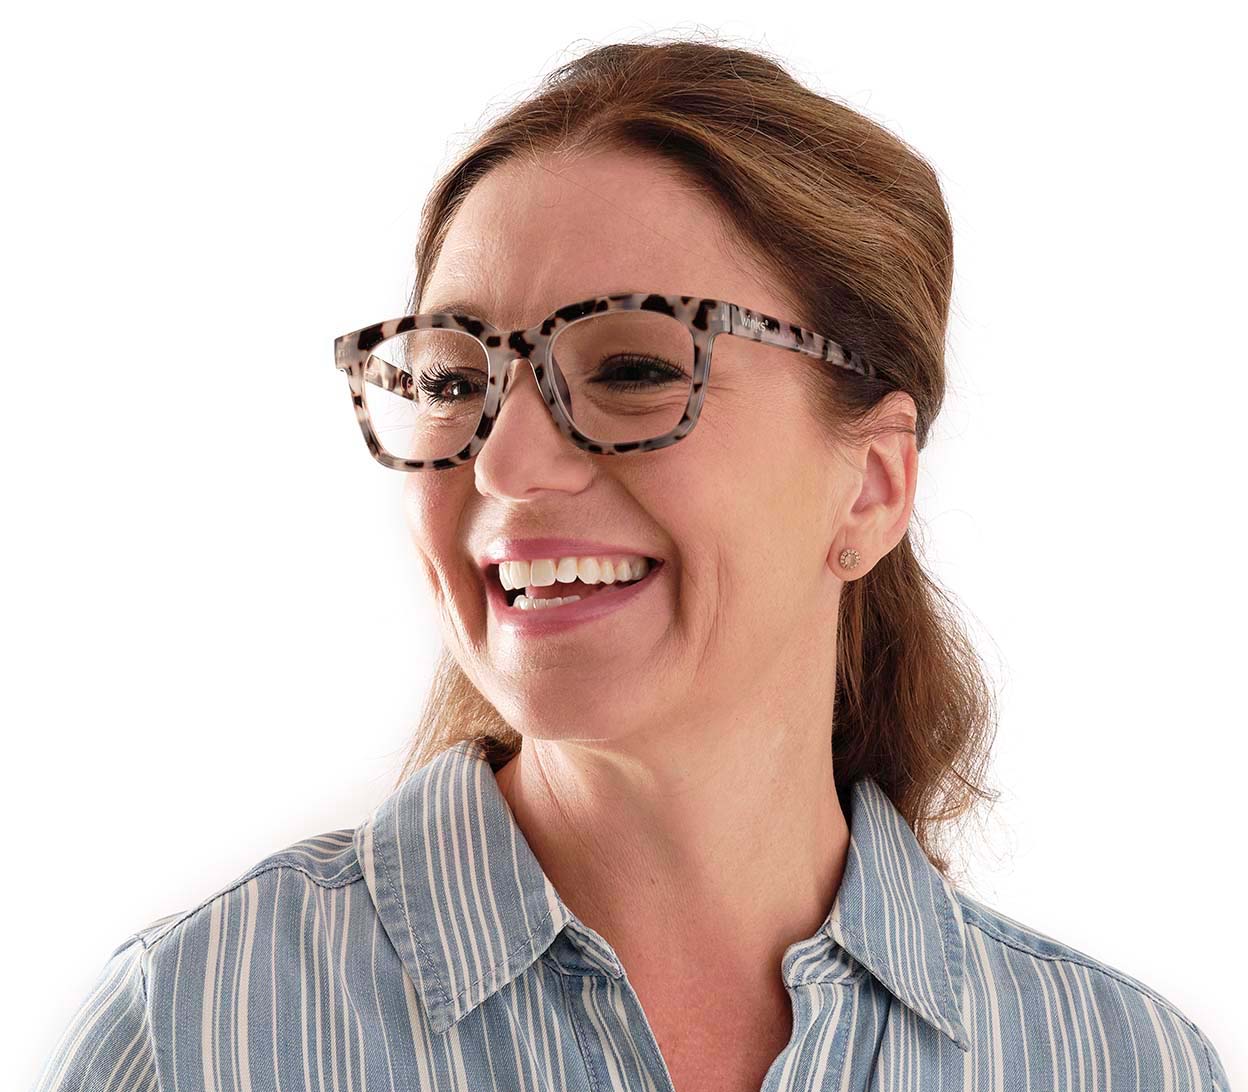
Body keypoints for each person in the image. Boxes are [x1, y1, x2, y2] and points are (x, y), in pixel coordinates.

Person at [34, 37, 1230, 1092]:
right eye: (455, 382)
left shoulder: (1117, 1065)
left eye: (635, 369)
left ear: (871, 485)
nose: (505, 463)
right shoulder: (194, 1034)